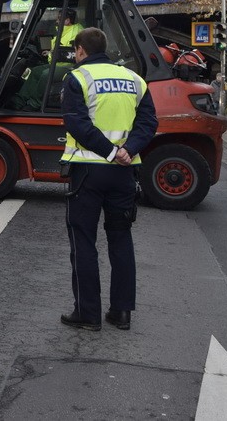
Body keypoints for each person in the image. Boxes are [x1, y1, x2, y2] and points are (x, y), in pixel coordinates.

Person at [59, 27, 158, 332]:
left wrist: (110, 151)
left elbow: (76, 123)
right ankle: (122, 312)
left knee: (84, 241)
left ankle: (88, 314)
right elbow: (148, 122)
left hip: (88, 171)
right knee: (121, 239)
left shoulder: (77, 78)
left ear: (80, 50)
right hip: (124, 173)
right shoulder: (135, 80)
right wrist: (127, 150)